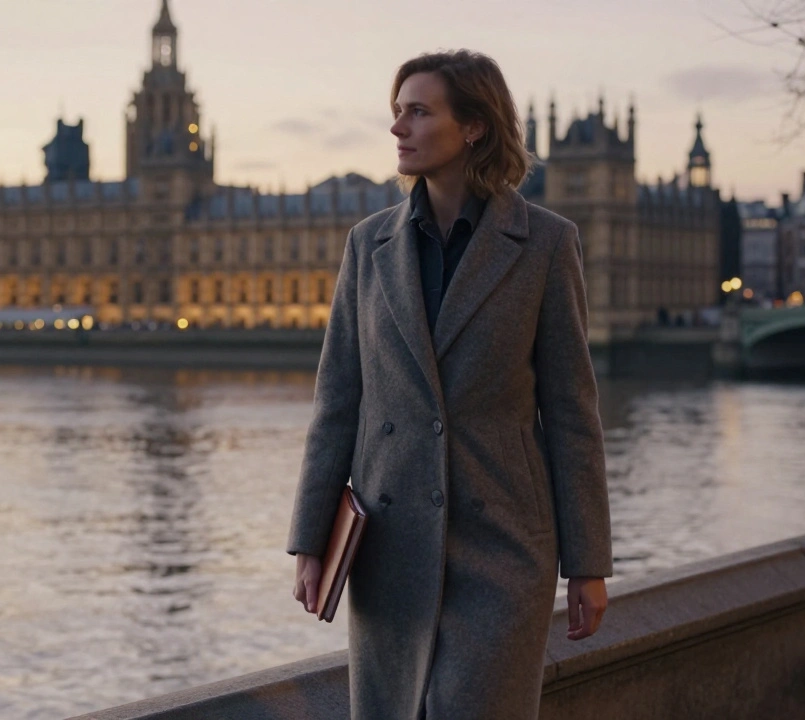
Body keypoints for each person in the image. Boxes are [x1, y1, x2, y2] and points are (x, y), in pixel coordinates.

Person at [286, 50, 612, 719]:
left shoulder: (546, 244)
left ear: (473, 127)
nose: (398, 128)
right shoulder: (367, 246)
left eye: (418, 111)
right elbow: (338, 403)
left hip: (502, 549)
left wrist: (588, 561)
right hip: (390, 546)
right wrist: (312, 538)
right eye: (396, 112)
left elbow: (573, 413)